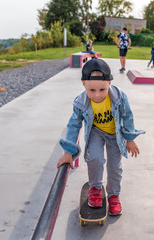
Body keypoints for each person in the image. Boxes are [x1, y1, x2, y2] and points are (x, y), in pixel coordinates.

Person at [57, 58, 145, 216]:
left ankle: (113, 195)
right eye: (92, 90)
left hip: (114, 134)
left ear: (110, 83)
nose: (97, 95)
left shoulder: (119, 97)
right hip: (96, 131)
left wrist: (130, 139)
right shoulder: (81, 103)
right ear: (84, 84)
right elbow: (73, 125)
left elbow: (127, 116)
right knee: (95, 159)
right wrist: (68, 152)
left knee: (115, 167)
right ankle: (96, 188)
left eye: (102, 90)